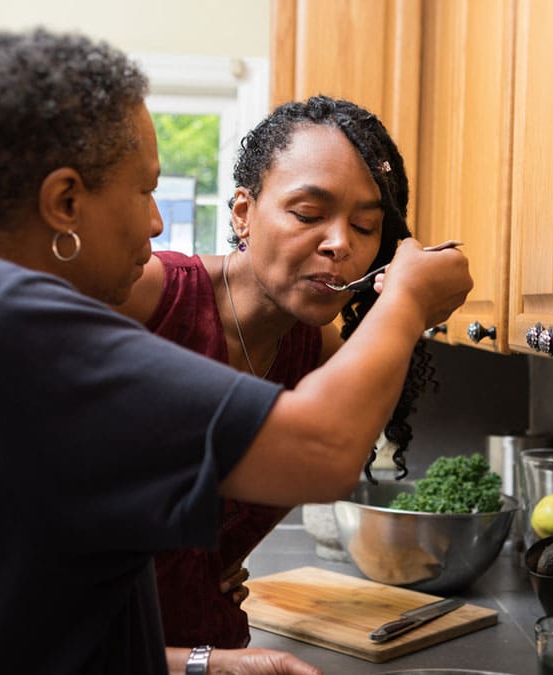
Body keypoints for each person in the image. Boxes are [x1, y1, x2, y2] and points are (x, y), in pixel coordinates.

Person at [0, 28, 471, 675]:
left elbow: (30, 619)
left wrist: (203, 663)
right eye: (144, 189)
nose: (157, 223)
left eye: (365, 225)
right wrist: (407, 301)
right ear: (66, 201)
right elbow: (321, 449)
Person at [116, 95, 431, 649]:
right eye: (309, 215)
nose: (340, 244)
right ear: (242, 213)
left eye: (365, 226)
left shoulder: (324, 360)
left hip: (213, 649)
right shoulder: (145, 296)